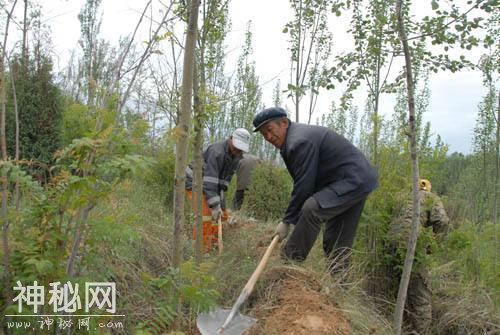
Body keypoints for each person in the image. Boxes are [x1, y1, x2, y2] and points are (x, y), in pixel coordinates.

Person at [252, 106, 378, 273]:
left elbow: (304, 186)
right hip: (357, 181)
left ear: (283, 123)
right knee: (336, 240)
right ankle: (340, 286)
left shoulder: (299, 141)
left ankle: (289, 263)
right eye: (263, 134)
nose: (268, 137)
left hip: (352, 181)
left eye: (269, 130)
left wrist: (287, 221)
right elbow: (307, 181)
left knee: (312, 209)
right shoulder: (294, 139)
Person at [387, 178, 449, 334]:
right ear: (428, 189)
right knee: (421, 293)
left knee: (403, 286)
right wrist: (433, 245)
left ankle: (400, 326)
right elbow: (442, 222)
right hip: (410, 244)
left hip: (390, 244)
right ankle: (421, 332)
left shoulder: (402, 198)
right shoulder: (431, 198)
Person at [185, 128, 251, 252]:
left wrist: (221, 205)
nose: (238, 150)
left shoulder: (236, 157)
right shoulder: (217, 151)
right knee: (205, 215)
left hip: (210, 184)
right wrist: (215, 205)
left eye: (240, 148)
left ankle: (215, 246)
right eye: (236, 146)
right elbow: (210, 181)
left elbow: (222, 183)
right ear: (231, 138)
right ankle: (200, 252)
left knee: (222, 214)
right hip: (194, 182)